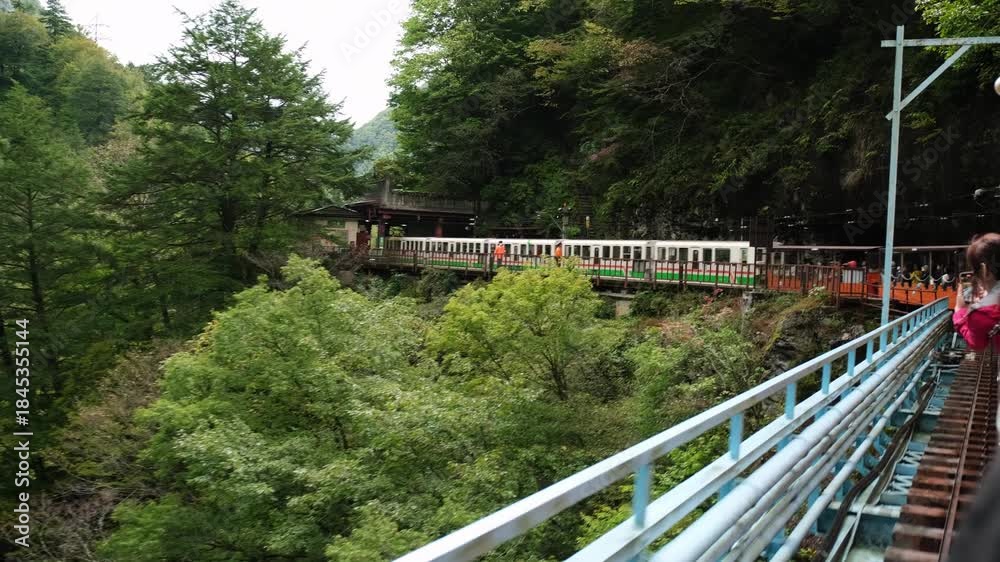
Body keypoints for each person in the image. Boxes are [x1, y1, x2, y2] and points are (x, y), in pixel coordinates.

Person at [953, 233, 1000, 351]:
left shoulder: (982, 315)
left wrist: (959, 311)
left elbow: (976, 344)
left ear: (985, 271)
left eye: (975, 271)